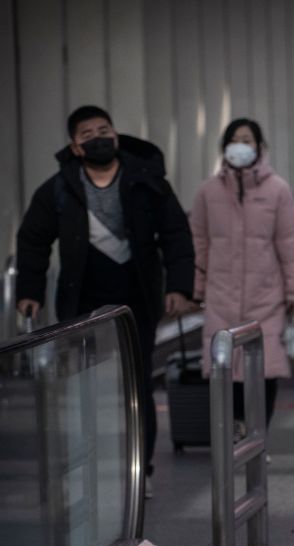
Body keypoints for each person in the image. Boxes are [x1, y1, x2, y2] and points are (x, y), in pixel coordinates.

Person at [16, 104, 194, 489]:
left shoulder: (147, 179)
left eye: (104, 130)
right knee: (83, 388)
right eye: (88, 135)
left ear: (115, 133)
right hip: (81, 303)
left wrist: (180, 287)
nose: (99, 138)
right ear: (75, 147)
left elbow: (176, 233)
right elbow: (32, 240)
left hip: (138, 300)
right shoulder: (60, 188)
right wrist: (28, 292)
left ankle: (140, 470)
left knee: (139, 384)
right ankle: (87, 465)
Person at [190, 118, 294, 431]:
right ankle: (234, 430)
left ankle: (258, 434)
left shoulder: (277, 190)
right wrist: (196, 289)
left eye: (247, 139)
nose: (241, 146)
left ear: (260, 147)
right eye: (235, 140)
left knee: (264, 369)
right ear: (224, 148)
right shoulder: (207, 192)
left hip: (265, 295)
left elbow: (290, 244)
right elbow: (199, 242)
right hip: (220, 296)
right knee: (224, 367)